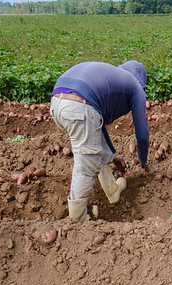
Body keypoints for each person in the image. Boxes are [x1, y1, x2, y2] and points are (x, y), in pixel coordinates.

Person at [50, 60, 150, 222]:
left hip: (57, 103)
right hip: (78, 105)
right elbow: (142, 133)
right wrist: (143, 160)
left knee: (93, 148)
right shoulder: (134, 85)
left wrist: (112, 153)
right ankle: (77, 219)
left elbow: (97, 124)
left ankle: (112, 191)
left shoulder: (112, 77)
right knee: (86, 164)